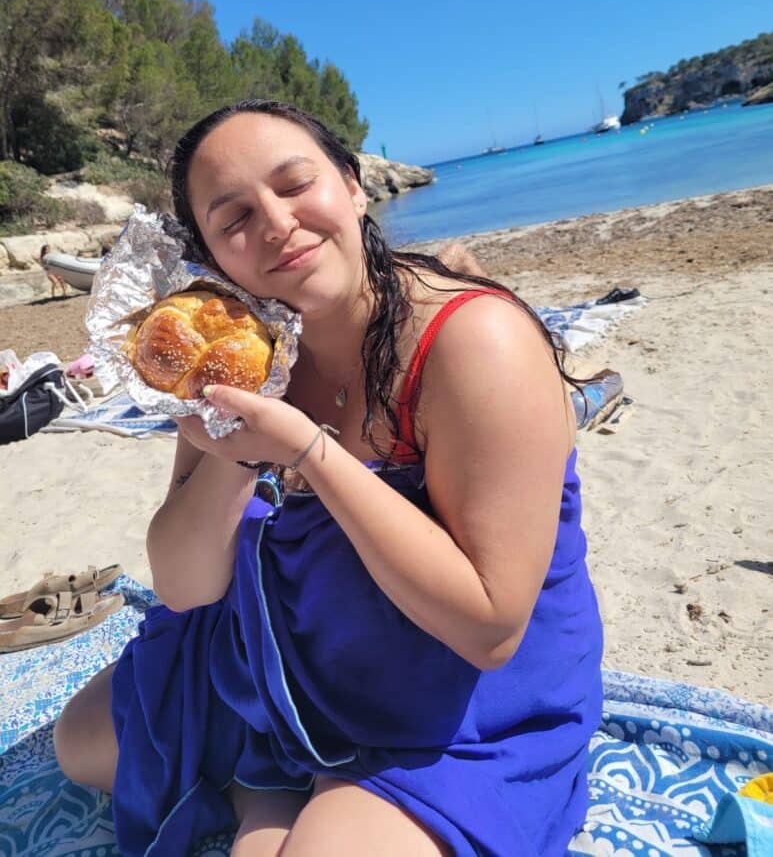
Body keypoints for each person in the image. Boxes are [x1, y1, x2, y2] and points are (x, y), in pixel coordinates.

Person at [54, 100, 603, 856]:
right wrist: (232, 457)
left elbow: (490, 627)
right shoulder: (238, 351)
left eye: (294, 184)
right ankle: (269, 781)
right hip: (288, 645)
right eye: (234, 216)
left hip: (448, 699)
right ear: (213, 257)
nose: (275, 224)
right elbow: (186, 587)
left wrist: (310, 453)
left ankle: (276, 789)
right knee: (79, 744)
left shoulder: (475, 342)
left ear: (352, 186)